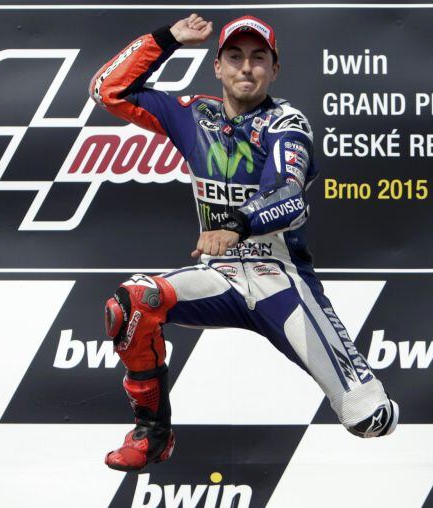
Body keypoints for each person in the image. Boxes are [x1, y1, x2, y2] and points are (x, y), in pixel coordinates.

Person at [91, 13, 399, 471]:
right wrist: (167, 39)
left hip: (280, 280)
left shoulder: (287, 122)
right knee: (132, 303)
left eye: (259, 58)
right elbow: (108, 91)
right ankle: (153, 432)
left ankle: (370, 396)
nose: (246, 68)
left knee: (370, 418)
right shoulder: (193, 114)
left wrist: (234, 225)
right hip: (221, 276)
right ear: (217, 67)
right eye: (234, 57)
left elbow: (289, 199)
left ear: (274, 70)